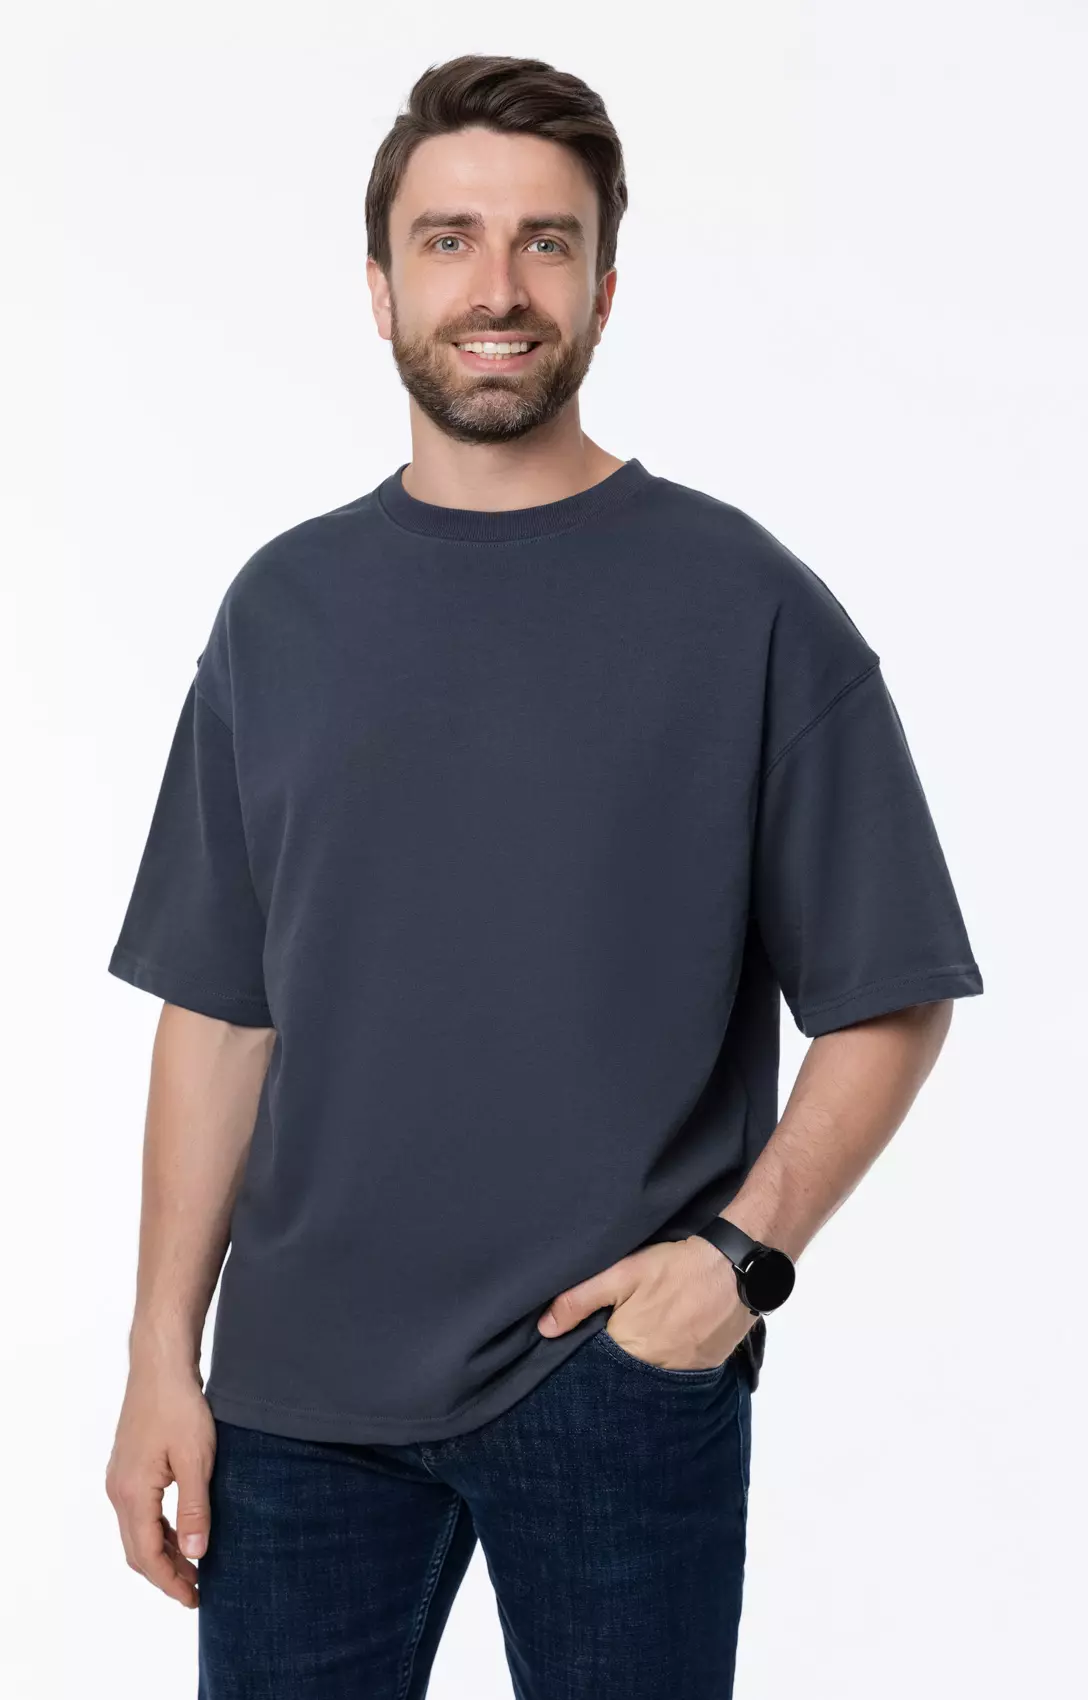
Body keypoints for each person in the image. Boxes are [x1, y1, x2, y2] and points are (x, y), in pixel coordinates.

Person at [103, 52, 984, 1700]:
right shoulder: (281, 611)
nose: (496, 288)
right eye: (448, 240)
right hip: (294, 1403)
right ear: (381, 288)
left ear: (603, 288)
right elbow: (220, 1013)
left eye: (545, 242)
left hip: (611, 1374)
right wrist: (164, 1354)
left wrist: (733, 1267)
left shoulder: (744, 604)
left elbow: (892, 992)